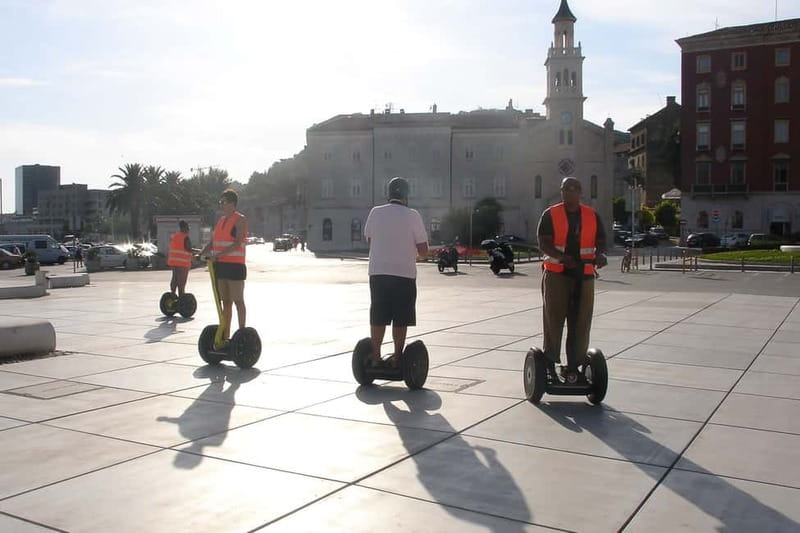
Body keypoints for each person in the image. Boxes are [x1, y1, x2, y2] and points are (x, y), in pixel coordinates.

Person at [537, 176, 607, 382]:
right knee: (554, 319)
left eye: (575, 188)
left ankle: (575, 365)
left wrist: (600, 254)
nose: (571, 192)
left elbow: (601, 240)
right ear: (561, 191)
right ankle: (549, 362)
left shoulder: (592, 215)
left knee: (581, 322)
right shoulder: (550, 214)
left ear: (580, 192)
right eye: (567, 188)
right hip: (557, 274)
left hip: (584, 276)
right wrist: (561, 257)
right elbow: (543, 242)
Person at [363, 176, 429, 367]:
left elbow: (370, 239)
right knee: (401, 317)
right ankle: (397, 359)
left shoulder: (375, 212)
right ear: (407, 196)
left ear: (389, 193)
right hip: (404, 275)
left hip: (378, 273)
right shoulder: (413, 215)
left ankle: (375, 358)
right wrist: (415, 254)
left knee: (378, 314)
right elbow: (423, 250)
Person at [201, 188, 249, 344]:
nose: (221, 205)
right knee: (225, 302)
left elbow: (237, 243)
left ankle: (242, 334)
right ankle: (226, 334)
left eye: (224, 202)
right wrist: (202, 252)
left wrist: (218, 255)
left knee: (238, 301)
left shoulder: (240, 220)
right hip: (221, 267)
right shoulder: (221, 221)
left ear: (233, 204)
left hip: (235, 267)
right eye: (220, 202)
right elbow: (214, 242)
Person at [167, 220, 199, 297]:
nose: (188, 230)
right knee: (181, 281)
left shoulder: (174, 236)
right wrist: (199, 251)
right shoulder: (185, 237)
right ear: (184, 228)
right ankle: (181, 296)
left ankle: (172, 294)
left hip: (173, 261)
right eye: (188, 228)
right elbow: (189, 249)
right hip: (182, 263)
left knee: (174, 278)